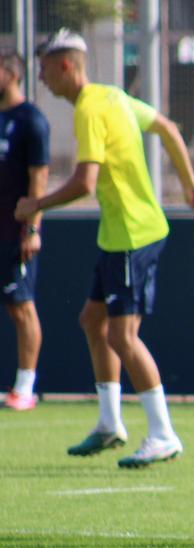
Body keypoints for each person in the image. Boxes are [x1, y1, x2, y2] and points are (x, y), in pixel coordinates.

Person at [16, 29, 194, 466]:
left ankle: (163, 433)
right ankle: (109, 422)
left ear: (65, 66)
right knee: (92, 321)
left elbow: (85, 182)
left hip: (134, 235)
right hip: (121, 234)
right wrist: (190, 184)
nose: (41, 79)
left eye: (44, 69)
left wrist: (35, 204)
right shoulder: (112, 96)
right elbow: (168, 128)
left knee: (122, 335)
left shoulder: (91, 108)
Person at [1, 49, 48, 411]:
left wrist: (33, 228)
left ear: (10, 73)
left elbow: (39, 179)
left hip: (13, 231)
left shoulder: (31, 120)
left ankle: (25, 387)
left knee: (21, 307)